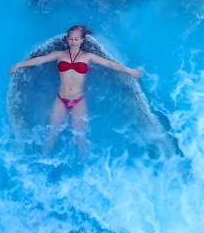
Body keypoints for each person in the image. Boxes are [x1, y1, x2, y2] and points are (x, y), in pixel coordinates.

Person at [9, 24, 143, 154]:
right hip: (61, 99)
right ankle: (41, 162)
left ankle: (86, 167)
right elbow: (39, 60)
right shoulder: (59, 54)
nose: (73, 42)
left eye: (76, 39)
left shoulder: (87, 56)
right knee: (51, 135)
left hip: (78, 100)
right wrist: (19, 65)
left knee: (80, 138)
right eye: (71, 39)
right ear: (67, 39)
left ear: (82, 40)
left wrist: (129, 71)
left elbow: (109, 63)